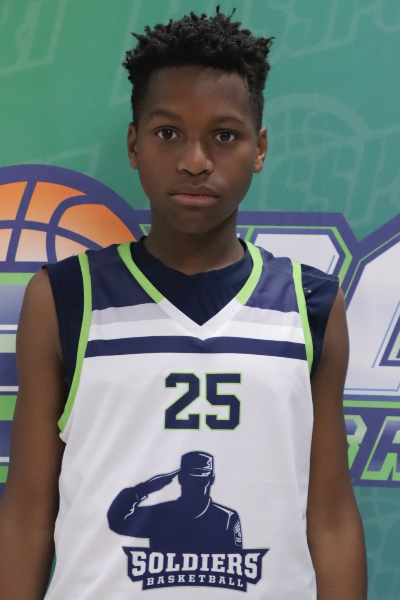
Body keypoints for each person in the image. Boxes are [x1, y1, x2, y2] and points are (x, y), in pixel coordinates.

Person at [0, 7, 367, 600]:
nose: (195, 160)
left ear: (260, 148)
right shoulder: (66, 297)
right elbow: (26, 515)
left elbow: (329, 518)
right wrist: (159, 483)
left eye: (224, 135)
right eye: (168, 132)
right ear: (134, 143)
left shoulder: (311, 305)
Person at [107, 451, 242, 552]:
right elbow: (117, 522)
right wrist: (143, 489)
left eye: (201, 479)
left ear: (211, 479)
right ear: (181, 478)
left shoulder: (227, 518)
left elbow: (235, 560)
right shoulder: (158, 514)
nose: (196, 484)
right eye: (191, 478)